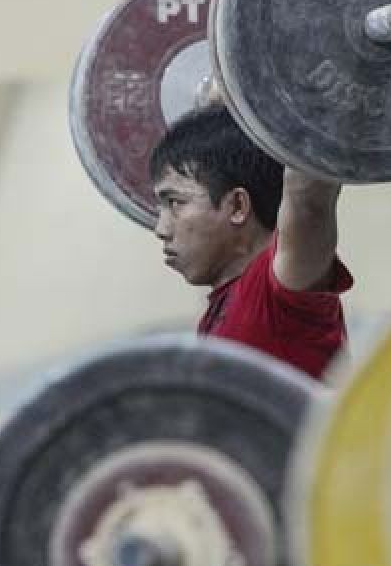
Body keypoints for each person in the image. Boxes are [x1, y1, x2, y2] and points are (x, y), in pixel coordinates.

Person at [148, 106, 353, 379]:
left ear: (237, 206)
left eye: (175, 203)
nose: (160, 229)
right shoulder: (218, 311)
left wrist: (314, 94)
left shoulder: (281, 292)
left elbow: (309, 201)